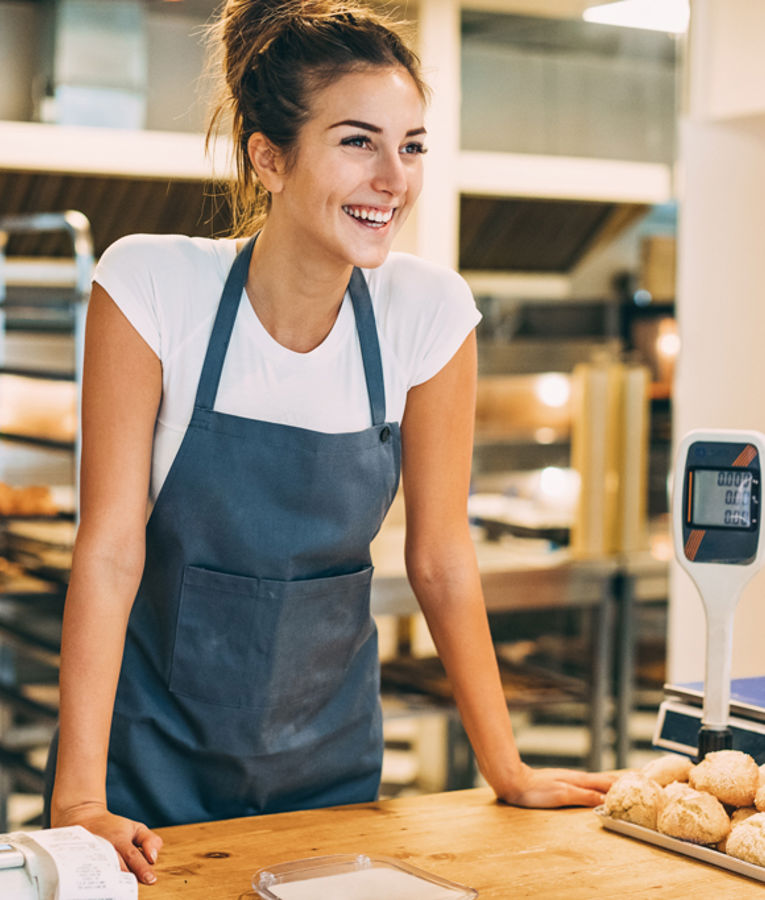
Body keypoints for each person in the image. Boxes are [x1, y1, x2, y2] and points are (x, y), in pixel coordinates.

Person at [45, 0, 615, 886]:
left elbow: (440, 557)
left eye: (412, 145)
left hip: (330, 767)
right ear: (268, 157)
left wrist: (506, 767)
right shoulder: (151, 287)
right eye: (358, 142)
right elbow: (111, 549)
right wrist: (79, 799)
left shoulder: (428, 313)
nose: (394, 176)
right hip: (150, 767)